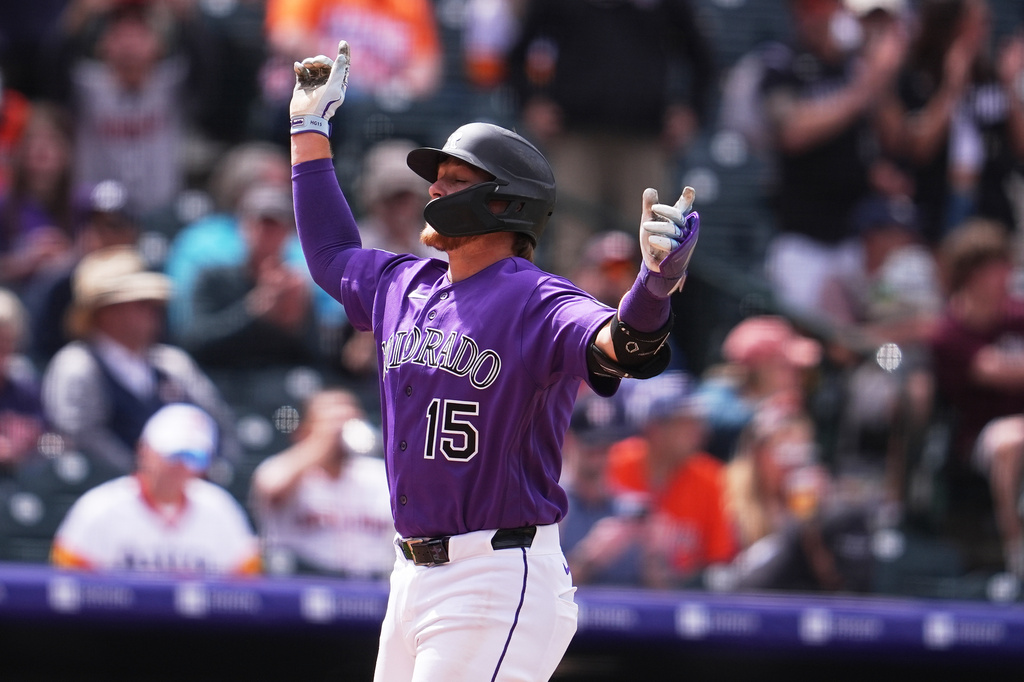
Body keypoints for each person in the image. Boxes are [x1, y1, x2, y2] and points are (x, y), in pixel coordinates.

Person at [289, 41, 700, 681]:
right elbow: (331, 255)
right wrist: (308, 131)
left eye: (455, 180)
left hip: (495, 572)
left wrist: (652, 285)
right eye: (438, 175)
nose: (435, 188)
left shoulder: (538, 299)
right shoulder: (405, 283)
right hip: (411, 576)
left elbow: (626, 347)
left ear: (504, 204)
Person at [505, 0, 717, 276]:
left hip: (644, 141)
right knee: (571, 241)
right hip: (576, 138)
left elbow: (703, 59)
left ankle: (643, 317)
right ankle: (569, 318)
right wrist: (530, 103)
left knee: (650, 242)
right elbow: (517, 54)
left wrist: (691, 111)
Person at [41, 245, 240, 479]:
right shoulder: (77, 365)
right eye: (141, 303)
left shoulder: (172, 363)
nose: (153, 311)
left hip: (188, 497)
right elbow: (83, 438)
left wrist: (213, 470)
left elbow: (218, 421)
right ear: (106, 312)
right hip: (115, 501)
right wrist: (148, 477)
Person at [760, 0, 906, 318]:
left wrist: (881, 77)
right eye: (809, 9)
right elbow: (792, 131)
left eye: (824, 8)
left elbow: (893, 135)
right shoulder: (782, 62)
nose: (817, 17)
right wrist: (860, 91)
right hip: (802, 240)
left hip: (855, 236)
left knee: (865, 332)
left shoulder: (853, 63)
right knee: (813, 336)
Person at [50, 402, 261, 575]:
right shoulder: (99, 507)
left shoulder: (220, 509)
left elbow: (247, 588)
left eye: (192, 457)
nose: (180, 466)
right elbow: (66, 584)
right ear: (144, 449)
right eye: (172, 454)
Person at [880, 0, 1024, 245]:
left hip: (992, 208)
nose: (985, 30)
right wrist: (951, 88)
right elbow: (919, 148)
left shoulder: (991, 76)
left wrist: (1009, 86)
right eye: (978, 23)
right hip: (932, 210)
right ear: (955, 25)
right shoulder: (916, 75)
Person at [930, 218, 1024, 576]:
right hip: (980, 439)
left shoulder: (1018, 313)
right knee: (1009, 440)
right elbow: (995, 371)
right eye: (995, 269)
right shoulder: (949, 331)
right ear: (971, 274)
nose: (1005, 276)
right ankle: (1017, 555)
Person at [605, 371, 738, 589]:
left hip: (681, 598)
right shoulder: (615, 464)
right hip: (611, 590)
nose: (700, 431)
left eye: (699, 422)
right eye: (686, 423)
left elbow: (719, 560)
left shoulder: (710, 477)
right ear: (655, 428)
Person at [722, 405, 874, 593]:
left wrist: (817, 521)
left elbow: (832, 578)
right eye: (784, 451)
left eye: (801, 451)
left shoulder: (812, 499)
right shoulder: (728, 495)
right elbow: (737, 578)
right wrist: (794, 527)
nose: (792, 462)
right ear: (757, 453)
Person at [250, 388, 394, 578]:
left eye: (349, 418)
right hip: (300, 582)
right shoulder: (286, 468)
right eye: (330, 419)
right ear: (306, 429)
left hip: (372, 584)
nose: (340, 426)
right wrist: (323, 442)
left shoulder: (378, 473)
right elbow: (271, 488)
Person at [181, 183, 322, 371]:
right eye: (261, 224)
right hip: (228, 380)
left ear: (288, 233)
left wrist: (296, 322)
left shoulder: (294, 285)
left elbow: (315, 357)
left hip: (281, 385)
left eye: (276, 226)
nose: (267, 234)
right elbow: (195, 343)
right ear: (243, 227)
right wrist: (253, 310)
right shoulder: (214, 278)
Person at [0, 287, 45, 475]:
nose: (4, 349)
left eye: (8, 341)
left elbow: (53, 443)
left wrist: (34, 440)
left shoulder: (24, 387)